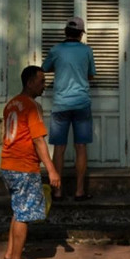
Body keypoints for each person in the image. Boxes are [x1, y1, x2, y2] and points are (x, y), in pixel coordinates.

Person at [0, 65, 61, 259]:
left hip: (8, 165)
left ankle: (10, 254)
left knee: (18, 210)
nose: (44, 86)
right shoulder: (31, 106)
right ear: (29, 82)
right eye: (42, 81)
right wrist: (51, 169)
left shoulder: (11, 104)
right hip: (24, 167)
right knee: (24, 215)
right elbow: (39, 141)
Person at [41, 16, 96, 201]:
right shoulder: (87, 50)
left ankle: (57, 191)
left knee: (59, 147)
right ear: (81, 34)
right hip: (82, 103)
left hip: (60, 104)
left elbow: (44, 69)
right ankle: (79, 191)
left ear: (65, 32)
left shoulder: (56, 50)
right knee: (81, 147)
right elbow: (91, 75)